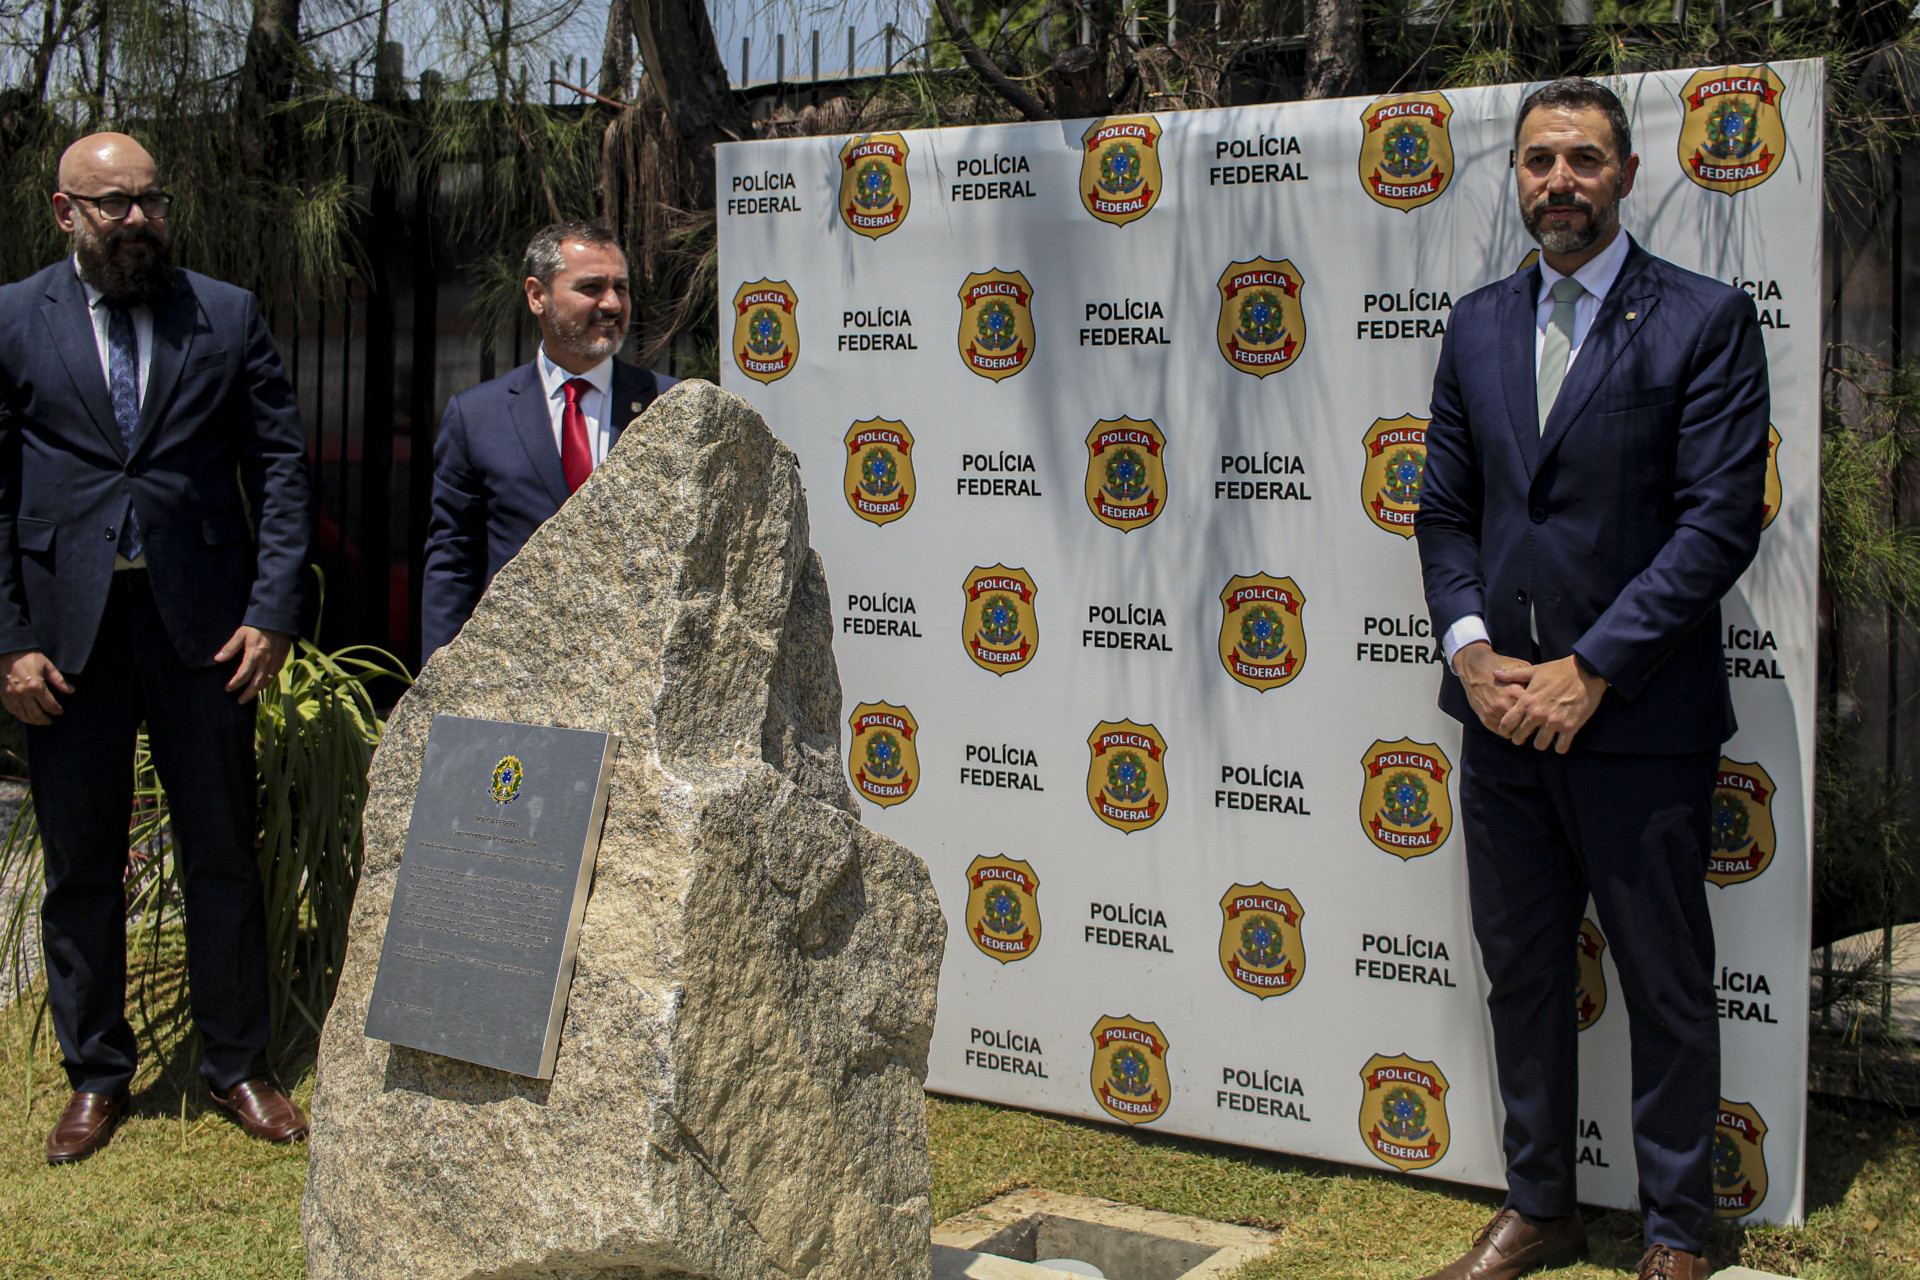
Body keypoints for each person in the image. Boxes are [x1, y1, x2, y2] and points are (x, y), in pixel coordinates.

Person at [1415, 79, 1770, 1280]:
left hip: (1639, 724)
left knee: (1666, 981)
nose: (1556, 181)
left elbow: (1718, 526)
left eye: (1581, 159)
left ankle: (1676, 1227)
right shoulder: (1472, 325)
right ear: (1514, 176)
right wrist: (1470, 649)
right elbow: (1444, 513)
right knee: (1521, 973)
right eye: (1536, 161)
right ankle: (1540, 1203)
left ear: (1625, 175)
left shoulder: (1705, 321)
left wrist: (1593, 669)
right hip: (1502, 717)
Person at [0, 133, 313, 1163]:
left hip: (205, 629)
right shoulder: (13, 319)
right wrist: (9, 644)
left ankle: (237, 1061)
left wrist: (271, 611)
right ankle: (97, 1072)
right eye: (112, 205)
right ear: (65, 212)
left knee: (221, 848)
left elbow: (277, 462)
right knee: (81, 862)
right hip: (68, 636)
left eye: (149, 201)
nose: (136, 220)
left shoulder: (221, 312)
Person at [421, 221, 677, 658]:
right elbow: (453, 561)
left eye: (621, 287)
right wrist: (438, 682)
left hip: (640, 670)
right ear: (537, 295)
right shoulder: (477, 416)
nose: (612, 303)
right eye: (592, 287)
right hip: (518, 670)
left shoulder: (669, 405)